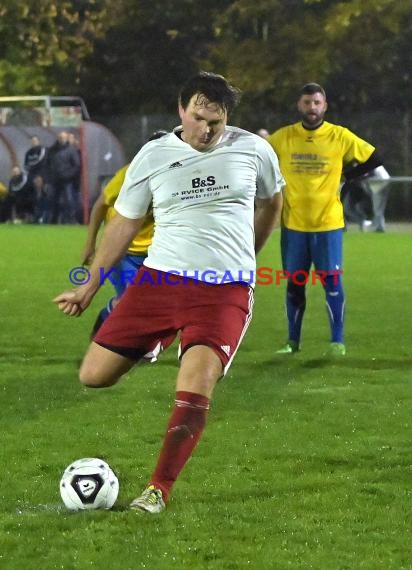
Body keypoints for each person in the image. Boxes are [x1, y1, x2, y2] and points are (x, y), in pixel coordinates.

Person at [54, 71, 284, 513]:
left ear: (227, 117)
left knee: (195, 385)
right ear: (182, 110)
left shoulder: (253, 149)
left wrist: (249, 253)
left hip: (223, 291)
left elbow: (273, 200)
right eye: (198, 118)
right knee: (93, 376)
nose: (206, 130)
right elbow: (123, 223)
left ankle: (157, 489)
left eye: (215, 122)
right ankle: (157, 339)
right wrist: (87, 289)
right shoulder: (153, 156)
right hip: (158, 283)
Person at [267, 82, 386, 356]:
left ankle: (337, 341)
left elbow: (374, 157)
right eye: (307, 102)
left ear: (325, 106)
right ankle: (292, 342)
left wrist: (348, 177)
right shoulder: (282, 137)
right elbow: (259, 161)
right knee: (295, 284)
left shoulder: (339, 136)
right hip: (293, 226)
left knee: (332, 283)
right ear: (300, 105)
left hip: (328, 225)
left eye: (317, 103)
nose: (312, 108)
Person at [81, 130, 168, 338]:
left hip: (156, 254)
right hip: (123, 252)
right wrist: (90, 243)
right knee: (131, 301)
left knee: (155, 303)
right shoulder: (129, 174)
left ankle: (137, 345)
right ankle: (102, 337)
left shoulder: (174, 177)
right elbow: (100, 205)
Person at [47, 131, 81, 224]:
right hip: (55, 179)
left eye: (63, 137)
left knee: (69, 200)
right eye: (60, 137)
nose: (61, 139)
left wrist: (68, 175)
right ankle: (54, 219)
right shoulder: (52, 150)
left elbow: (76, 165)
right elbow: (47, 164)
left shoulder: (71, 150)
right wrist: (49, 176)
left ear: (66, 138)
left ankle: (71, 219)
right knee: (54, 200)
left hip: (67, 180)